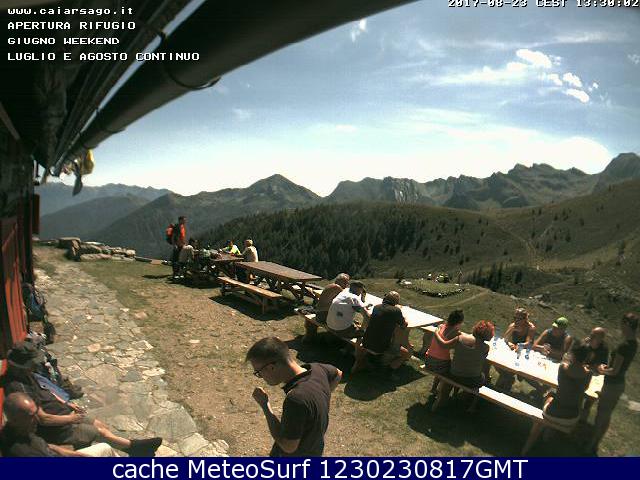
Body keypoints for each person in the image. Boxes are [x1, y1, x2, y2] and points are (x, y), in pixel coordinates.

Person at [3, 341, 162, 456]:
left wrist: (67, 404)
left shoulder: (27, 375)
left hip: (64, 414)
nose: (35, 365)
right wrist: (70, 419)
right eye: (31, 363)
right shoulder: (18, 388)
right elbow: (43, 419)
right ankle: (135, 448)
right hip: (56, 428)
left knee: (100, 424)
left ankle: (134, 449)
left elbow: (47, 390)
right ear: (21, 366)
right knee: (99, 432)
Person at [246, 337, 342, 456]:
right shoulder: (318, 370)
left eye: (258, 372)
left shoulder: (296, 399)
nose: (260, 377)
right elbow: (338, 373)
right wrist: (323, 396)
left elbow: (288, 446)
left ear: (271, 367)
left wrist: (265, 406)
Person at [522, 342, 592, 455]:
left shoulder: (563, 368)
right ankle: (548, 433)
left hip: (552, 413)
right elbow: (585, 388)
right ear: (586, 357)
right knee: (557, 398)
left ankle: (538, 434)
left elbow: (561, 382)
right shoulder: (588, 374)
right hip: (571, 417)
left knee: (549, 395)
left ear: (573, 354)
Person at [0, 393, 120, 457]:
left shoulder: (17, 430)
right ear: (14, 420)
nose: (36, 419)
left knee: (104, 446)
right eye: (31, 416)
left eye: (37, 413)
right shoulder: (25, 452)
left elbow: (48, 446)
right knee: (105, 449)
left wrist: (75, 455)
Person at [587, 313, 638, 455]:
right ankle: (596, 442)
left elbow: (614, 371)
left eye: (622, 323)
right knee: (607, 414)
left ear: (627, 324)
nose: (620, 326)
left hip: (612, 385)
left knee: (601, 415)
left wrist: (601, 370)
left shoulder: (624, 346)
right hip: (618, 384)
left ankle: (590, 445)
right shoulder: (633, 343)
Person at [432, 320, 494, 412]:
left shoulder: (460, 339)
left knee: (449, 370)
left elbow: (443, 345)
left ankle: (441, 398)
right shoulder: (486, 348)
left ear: (476, 329)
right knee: (483, 377)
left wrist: (436, 332)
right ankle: (470, 404)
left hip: (454, 374)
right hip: (471, 380)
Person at [353, 291, 411, 373]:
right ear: (396, 302)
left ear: (385, 298)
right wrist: (404, 318)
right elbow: (403, 325)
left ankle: (368, 361)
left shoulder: (377, 307)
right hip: (381, 346)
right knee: (406, 353)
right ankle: (388, 370)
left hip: (366, 342)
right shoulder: (396, 311)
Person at [495, 308, 537, 391]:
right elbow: (505, 339)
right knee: (499, 365)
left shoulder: (530, 328)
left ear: (525, 319)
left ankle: (500, 388)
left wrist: (520, 345)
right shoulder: (513, 325)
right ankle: (505, 384)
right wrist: (511, 332)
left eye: (519, 319)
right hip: (513, 351)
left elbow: (529, 342)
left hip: (524, 353)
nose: (516, 320)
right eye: (515, 318)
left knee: (507, 372)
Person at [423, 310, 464, 393]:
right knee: (456, 370)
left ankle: (434, 388)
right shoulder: (456, 333)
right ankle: (449, 393)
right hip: (440, 364)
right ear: (459, 322)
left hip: (428, 360)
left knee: (443, 362)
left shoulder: (441, 326)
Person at [303, 273, 350, 343]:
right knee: (343, 320)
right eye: (345, 282)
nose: (347, 284)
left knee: (341, 314)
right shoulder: (337, 288)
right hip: (322, 316)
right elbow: (348, 298)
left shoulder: (331, 286)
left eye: (347, 283)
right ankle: (335, 340)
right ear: (340, 281)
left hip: (319, 314)